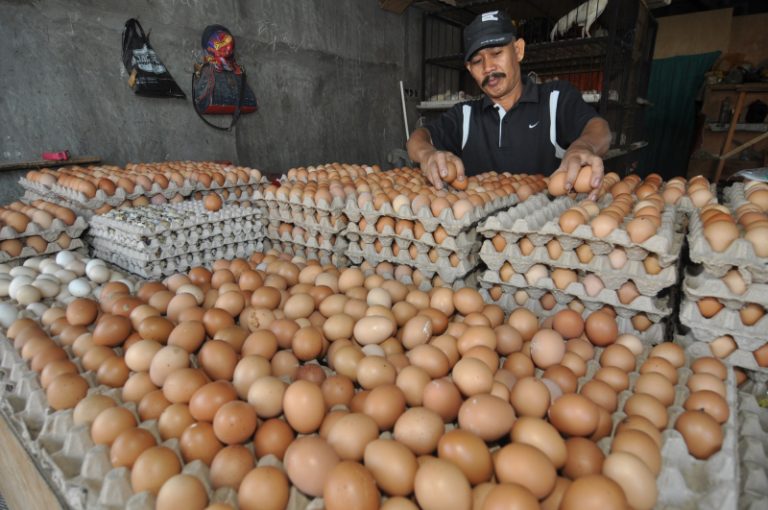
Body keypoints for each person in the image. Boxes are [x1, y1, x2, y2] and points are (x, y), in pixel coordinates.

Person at [407, 10, 612, 199]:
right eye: (477, 61)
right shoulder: (465, 115)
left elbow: (599, 129)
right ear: (469, 69)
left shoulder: (554, 99)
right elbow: (418, 138)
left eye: (497, 53)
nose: (488, 67)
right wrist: (427, 154)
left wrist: (583, 146)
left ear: (518, 50)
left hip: (544, 223)